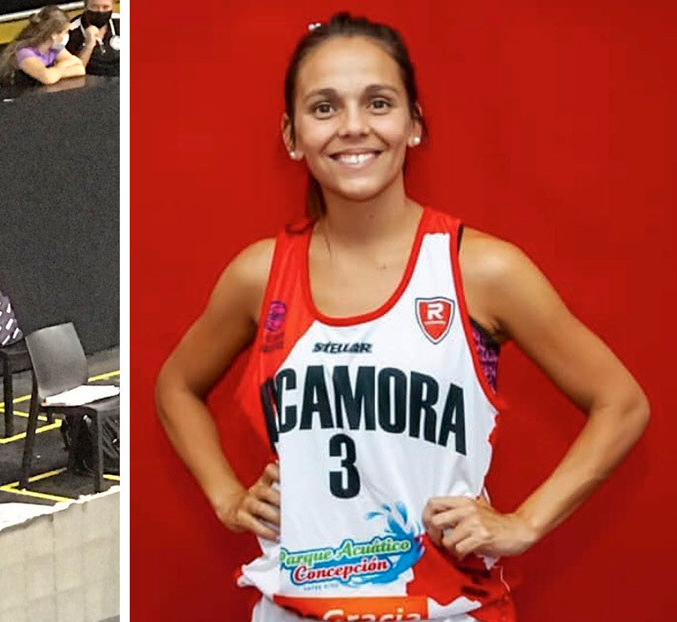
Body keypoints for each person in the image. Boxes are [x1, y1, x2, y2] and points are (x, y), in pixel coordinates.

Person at [153, 12, 649, 622]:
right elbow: (175, 385)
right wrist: (228, 497)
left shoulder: (481, 269)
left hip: (444, 608)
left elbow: (622, 403)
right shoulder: (260, 276)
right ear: (291, 134)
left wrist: (525, 523)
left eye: (379, 103)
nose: (354, 127)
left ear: (414, 124)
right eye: (325, 107)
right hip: (293, 607)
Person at [0, 6, 85, 86]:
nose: (67, 35)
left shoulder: (55, 47)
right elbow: (47, 78)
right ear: (54, 35)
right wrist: (64, 64)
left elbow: (80, 68)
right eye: (66, 32)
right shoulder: (24, 52)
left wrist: (56, 73)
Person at [65, 0, 120, 77]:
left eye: (105, 7)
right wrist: (89, 45)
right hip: (90, 84)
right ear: (85, 7)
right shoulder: (70, 31)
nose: (100, 11)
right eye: (95, 7)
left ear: (113, 7)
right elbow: (73, 72)